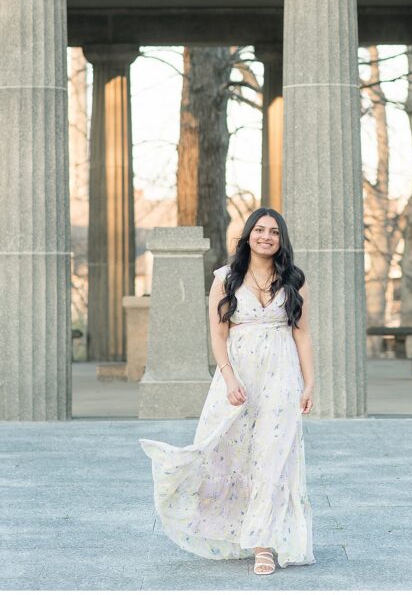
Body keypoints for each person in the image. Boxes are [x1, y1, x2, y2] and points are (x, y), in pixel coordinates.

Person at [139, 206, 315, 575]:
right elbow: (218, 335)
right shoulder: (226, 278)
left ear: (281, 240)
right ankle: (227, 525)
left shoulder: (294, 279)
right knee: (226, 451)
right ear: (248, 234)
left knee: (273, 457)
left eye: (274, 232)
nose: (266, 236)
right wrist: (229, 378)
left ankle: (263, 544)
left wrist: (309, 381)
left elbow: (302, 334)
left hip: (281, 378)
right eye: (260, 230)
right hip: (239, 376)